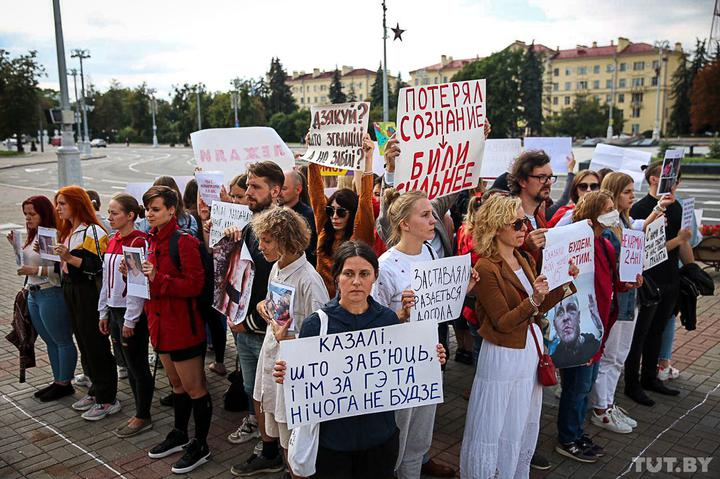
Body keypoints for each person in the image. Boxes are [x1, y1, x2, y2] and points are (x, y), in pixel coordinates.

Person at [274, 241, 447, 479]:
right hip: (332, 446)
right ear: (337, 278)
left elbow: (402, 368)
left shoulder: (387, 320)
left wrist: (430, 359)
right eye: (348, 273)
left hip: (380, 443)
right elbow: (305, 379)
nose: (356, 281)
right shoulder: (316, 324)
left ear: (375, 276)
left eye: (364, 274)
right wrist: (288, 374)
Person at [460, 195, 576, 479]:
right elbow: (503, 322)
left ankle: (511, 472)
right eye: (517, 223)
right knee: (493, 424)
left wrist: (564, 284)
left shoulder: (523, 258)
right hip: (503, 352)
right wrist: (534, 300)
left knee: (518, 421)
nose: (525, 227)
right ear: (497, 227)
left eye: (525, 221)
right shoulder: (487, 267)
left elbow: (537, 310)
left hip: (528, 351)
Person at [230, 207, 329, 477]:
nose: (260, 246)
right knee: (275, 422)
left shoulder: (309, 280)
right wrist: (264, 306)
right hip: (273, 356)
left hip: (294, 370)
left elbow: (322, 334)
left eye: (267, 241)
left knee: (292, 435)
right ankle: (284, 465)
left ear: (286, 240)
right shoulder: (277, 267)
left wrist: (293, 338)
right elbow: (277, 308)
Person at [373, 190, 465, 479]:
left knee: (419, 441)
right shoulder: (384, 267)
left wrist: (464, 289)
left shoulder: (430, 252)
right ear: (404, 223)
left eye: (433, 213)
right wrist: (400, 315)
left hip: (427, 359)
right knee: (395, 442)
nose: (433, 220)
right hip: (397, 367)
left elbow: (439, 306)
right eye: (425, 214)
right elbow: (372, 326)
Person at [555, 190, 641, 463]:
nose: (613, 212)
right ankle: (567, 438)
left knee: (587, 383)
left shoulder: (604, 244)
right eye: (607, 208)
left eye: (613, 207)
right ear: (592, 214)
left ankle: (577, 432)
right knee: (577, 387)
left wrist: (627, 283)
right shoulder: (576, 244)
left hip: (599, 326)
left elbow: (612, 281)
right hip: (580, 329)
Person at [141, 186, 212, 474]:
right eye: (148, 209)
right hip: (161, 326)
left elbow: (195, 285)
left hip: (184, 326)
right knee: (177, 386)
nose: (149, 214)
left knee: (195, 388)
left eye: (155, 209)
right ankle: (180, 433)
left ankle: (202, 444)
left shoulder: (184, 242)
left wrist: (159, 277)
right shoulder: (152, 240)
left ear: (172, 210)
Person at [223, 162, 285, 472]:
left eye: (255, 187)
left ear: (275, 191)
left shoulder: (286, 229)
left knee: (275, 396)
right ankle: (268, 446)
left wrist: (256, 322)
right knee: (254, 391)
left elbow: (283, 287)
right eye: (248, 186)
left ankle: (277, 450)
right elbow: (235, 277)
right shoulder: (246, 228)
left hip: (270, 333)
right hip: (242, 328)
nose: (248, 192)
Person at [627, 161, 690, 405]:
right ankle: (633, 384)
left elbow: (683, 243)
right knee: (639, 334)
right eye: (671, 178)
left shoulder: (677, 207)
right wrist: (680, 240)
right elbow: (645, 250)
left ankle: (650, 377)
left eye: (677, 179)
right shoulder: (641, 208)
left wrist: (692, 268)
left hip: (670, 278)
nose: (675, 183)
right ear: (654, 179)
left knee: (658, 331)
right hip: (649, 280)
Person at [53, 186, 118, 420]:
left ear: (77, 204)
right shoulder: (69, 231)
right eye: (57, 203)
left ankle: (108, 397)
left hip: (88, 293)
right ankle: (96, 389)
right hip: (71, 289)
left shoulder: (93, 231)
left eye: (62, 203)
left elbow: (96, 266)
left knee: (96, 344)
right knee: (83, 341)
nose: (58, 208)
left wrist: (69, 257)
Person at [589, 172, 644, 434]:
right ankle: (600, 408)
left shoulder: (625, 222)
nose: (632, 197)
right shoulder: (609, 228)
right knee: (610, 355)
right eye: (627, 192)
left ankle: (607, 403)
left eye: (633, 191)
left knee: (620, 354)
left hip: (628, 296)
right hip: (615, 300)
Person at [7, 196, 77, 402]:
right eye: (26, 214)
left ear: (44, 214)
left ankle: (65, 383)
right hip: (34, 294)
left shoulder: (51, 235)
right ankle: (58, 380)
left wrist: (34, 269)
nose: (28, 218)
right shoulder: (32, 235)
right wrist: (15, 246)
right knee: (49, 340)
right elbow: (24, 265)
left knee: (62, 340)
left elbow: (59, 272)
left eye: (32, 214)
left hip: (51, 293)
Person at [97, 193, 154, 437]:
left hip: (132, 313)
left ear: (130, 215)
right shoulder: (113, 240)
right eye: (109, 212)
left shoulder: (138, 242)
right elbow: (106, 280)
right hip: (115, 309)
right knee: (128, 364)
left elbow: (138, 283)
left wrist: (131, 318)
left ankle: (143, 415)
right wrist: (104, 310)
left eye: (114, 213)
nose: (109, 217)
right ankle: (139, 409)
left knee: (137, 364)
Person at [308, 133, 375, 297]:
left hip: (351, 306)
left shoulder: (359, 237)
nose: (334, 216)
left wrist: (368, 159)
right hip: (322, 304)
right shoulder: (325, 230)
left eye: (341, 211)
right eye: (331, 211)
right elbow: (316, 194)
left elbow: (365, 202)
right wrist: (312, 153)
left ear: (352, 214)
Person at [550, 295, 601, 367]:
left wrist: (599, 326)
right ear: (554, 324)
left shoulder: (593, 343)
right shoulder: (553, 358)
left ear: (579, 316)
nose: (565, 317)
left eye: (571, 310)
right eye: (560, 313)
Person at [280, 169, 317, 266]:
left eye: (284, 189)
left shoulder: (309, 216)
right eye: (278, 188)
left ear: (298, 189)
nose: (279, 192)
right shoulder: (273, 212)